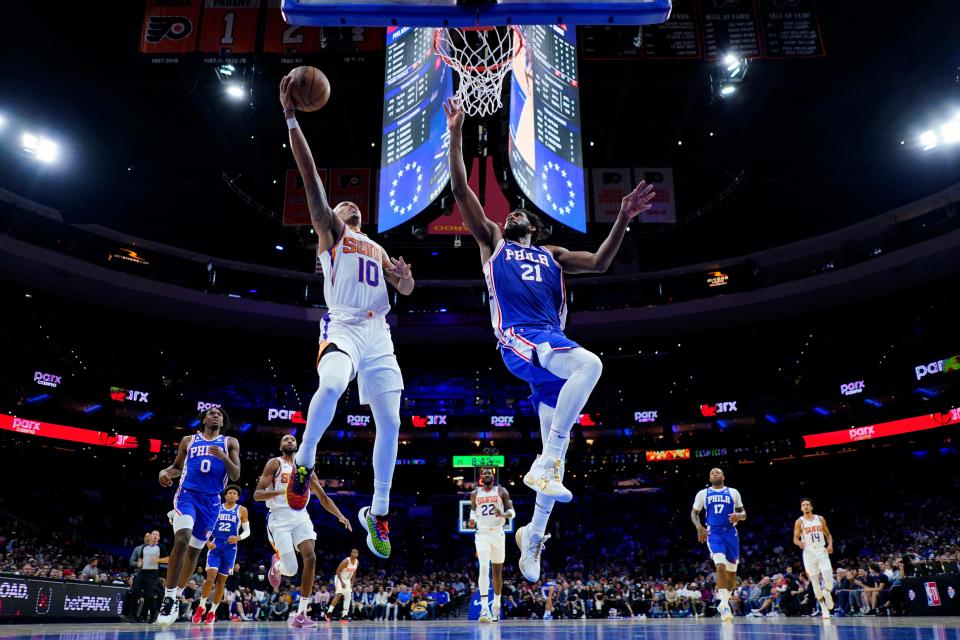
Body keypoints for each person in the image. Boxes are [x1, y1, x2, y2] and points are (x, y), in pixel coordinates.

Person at [444, 97, 655, 583]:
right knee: (592, 366)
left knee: (551, 464)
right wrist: (455, 132)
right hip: (521, 341)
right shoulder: (492, 242)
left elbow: (601, 262)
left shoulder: (554, 254)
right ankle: (550, 457)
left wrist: (622, 217)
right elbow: (461, 189)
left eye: (522, 213)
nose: (514, 212)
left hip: (551, 347)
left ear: (533, 229)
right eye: (511, 211)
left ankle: (533, 535)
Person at [280, 74, 414, 560]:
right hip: (342, 325)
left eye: (354, 203)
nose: (349, 203)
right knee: (332, 385)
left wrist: (403, 280)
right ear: (332, 215)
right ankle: (305, 464)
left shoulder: (378, 248)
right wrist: (292, 119)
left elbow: (406, 289)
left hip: (379, 333)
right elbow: (312, 179)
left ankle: (378, 511)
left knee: (393, 422)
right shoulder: (333, 234)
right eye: (342, 203)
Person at [255, 434, 352, 628]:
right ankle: (276, 565)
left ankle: (301, 614)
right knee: (291, 569)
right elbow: (258, 494)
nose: (289, 441)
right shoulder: (275, 464)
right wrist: (283, 492)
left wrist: (340, 516)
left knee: (311, 557)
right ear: (280, 445)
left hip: (301, 517)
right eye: (285, 439)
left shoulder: (306, 469)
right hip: (279, 518)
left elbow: (323, 497)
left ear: (298, 445)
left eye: (292, 439)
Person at [156, 407, 241, 625]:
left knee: (194, 552)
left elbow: (235, 474)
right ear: (203, 419)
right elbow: (176, 467)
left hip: (212, 503)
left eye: (220, 414)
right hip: (187, 496)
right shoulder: (188, 440)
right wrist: (164, 472)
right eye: (211, 413)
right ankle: (168, 597)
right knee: (182, 538)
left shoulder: (229, 442)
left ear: (223, 422)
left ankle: (178, 595)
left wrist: (223, 457)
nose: (216, 415)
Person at [691, 467, 745, 623]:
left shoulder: (733, 492)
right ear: (709, 478)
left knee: (732, 574)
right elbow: (694, 513)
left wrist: (738, 516)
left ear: (723, 476)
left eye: (718, 472)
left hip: (731, 533)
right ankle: (725, 606)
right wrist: (699, 527)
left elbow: (744, 513)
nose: (715, 474)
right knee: (720, 566)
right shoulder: (703, 493)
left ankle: (723, 602)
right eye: (712, 473)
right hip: (713, 533)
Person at [192, 485, 250, 625]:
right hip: (216, 545)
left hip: (230, 549)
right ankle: (201, 607)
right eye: (229, 493)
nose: (231, 495)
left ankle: (212, 611)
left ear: (237, 496)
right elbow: (205, 525)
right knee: (210, 579)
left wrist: (238, 538)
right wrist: (207, 542)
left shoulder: (242, 510)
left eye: (234, 493)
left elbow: (247, 531)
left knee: (221, 583)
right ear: (225, 495)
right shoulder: (217, 507)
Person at [468, 467, 515, 622]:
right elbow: (473, 511)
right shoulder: (475, 493)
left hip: (498, 534)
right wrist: (472, 519)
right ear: (481, 477)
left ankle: (496, 603)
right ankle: (484, 609)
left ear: (492, 476)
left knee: (497, 574)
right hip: (482, 533)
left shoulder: (501, 491)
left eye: (489, 473)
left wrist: (502, 514)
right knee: (482, 567)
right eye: (484, 473)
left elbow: (512, 512)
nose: (487, 475)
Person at [793, 498, 835, 619]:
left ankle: (827, 592)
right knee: (815, 582)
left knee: (828, 575)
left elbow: (828, 534)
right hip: (809, 554)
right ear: (801, 508)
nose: (805, 506)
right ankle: (823, 608)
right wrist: (799, 542)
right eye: (803, 505)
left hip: (821, 550)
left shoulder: (820, 519)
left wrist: (830, 544)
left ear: (811, 507)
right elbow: (795, 539)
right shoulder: (799, 521)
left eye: (807, 505)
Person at [129, 531, 167, 622]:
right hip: (142, 572)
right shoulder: (145, 547)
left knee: (149, 595)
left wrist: (158, 560)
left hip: (153, 573)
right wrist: (139, 562)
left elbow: (168, 559)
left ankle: (154, 613)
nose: (154, 536)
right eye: (153, 534)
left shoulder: (161, 547)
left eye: (156, 535)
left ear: (159, 538)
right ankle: (132, 615)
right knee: (135, 591)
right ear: (150, 537)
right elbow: (141, 557)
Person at [326, 549, 360, 621]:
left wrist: (352, 583)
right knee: (339, 595)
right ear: (351, 553)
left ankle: (344, 615)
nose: (355, 554)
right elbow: (337, 571)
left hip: (347, 580)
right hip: (339, 578)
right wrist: (342, 582)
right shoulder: (346, 561)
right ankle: (328, 613)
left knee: (348, 597)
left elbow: (354, 573)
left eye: (357, 553)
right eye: (354, 552)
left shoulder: (357, 562)